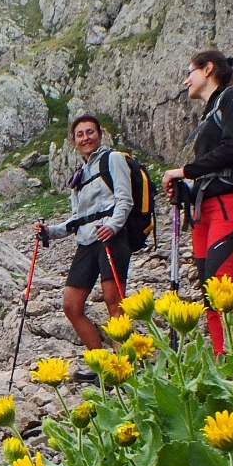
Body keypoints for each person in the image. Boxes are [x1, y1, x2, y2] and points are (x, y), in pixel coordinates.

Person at [162, 51, 233, 355]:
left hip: (229, 204)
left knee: (220, 286)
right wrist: (185, 191)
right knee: (209, 290)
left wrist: (184, 171)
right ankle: (222, 359)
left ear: (208, 69)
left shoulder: (232, 97)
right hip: (206, 208)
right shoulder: (208, 112)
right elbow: (211, 170)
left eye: (190, 72)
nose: (186, 80)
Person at [33, 114, 135, 351]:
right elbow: (77, 218)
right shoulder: (79, 174)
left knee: (114, 302)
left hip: (112, 237)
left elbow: (125, 200)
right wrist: (50, 231)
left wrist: (113, 226)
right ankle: (101, 362)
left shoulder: (114, 159)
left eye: (90, 132)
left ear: (100, 134)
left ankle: (125, 367)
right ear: (74, 140)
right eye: (80, 134)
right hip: (87, 241)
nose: (86, 137)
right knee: (71, 306)